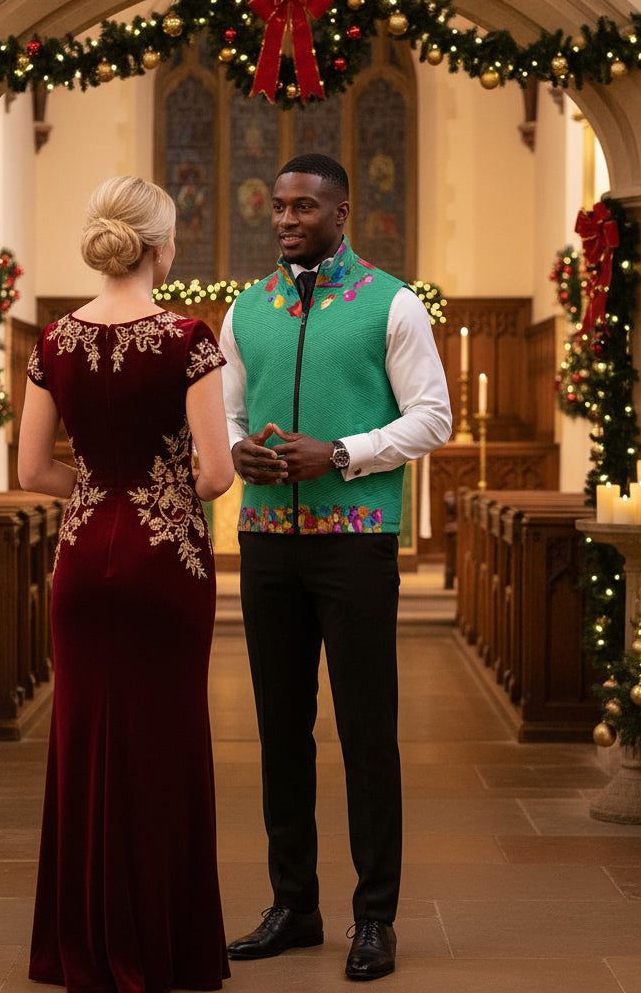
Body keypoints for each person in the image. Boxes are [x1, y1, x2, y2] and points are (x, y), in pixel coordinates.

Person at [219, 153, 452, 981]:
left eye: (304, 208)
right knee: (280, 729)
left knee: (365, 733)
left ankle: (375, 917)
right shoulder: (247, 310)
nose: (286, 219)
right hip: (267, 543)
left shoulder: (392, 305)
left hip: (355, 542)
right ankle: (294, 905)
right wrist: (241, 450)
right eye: (278, 207)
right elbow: (229, 412)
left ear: (343, 212)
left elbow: (433, 418)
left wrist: (344, 452)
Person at [19, 175, 234, 993]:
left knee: (81, 747)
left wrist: (98, 486)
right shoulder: (188, 338)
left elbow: (34, 467)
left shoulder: (52, 342)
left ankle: (77, 945)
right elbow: (215, 475)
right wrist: (158, 484)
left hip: (82, 557)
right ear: (161, 246)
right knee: (164, 744)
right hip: (163, 560)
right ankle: (164, 948)